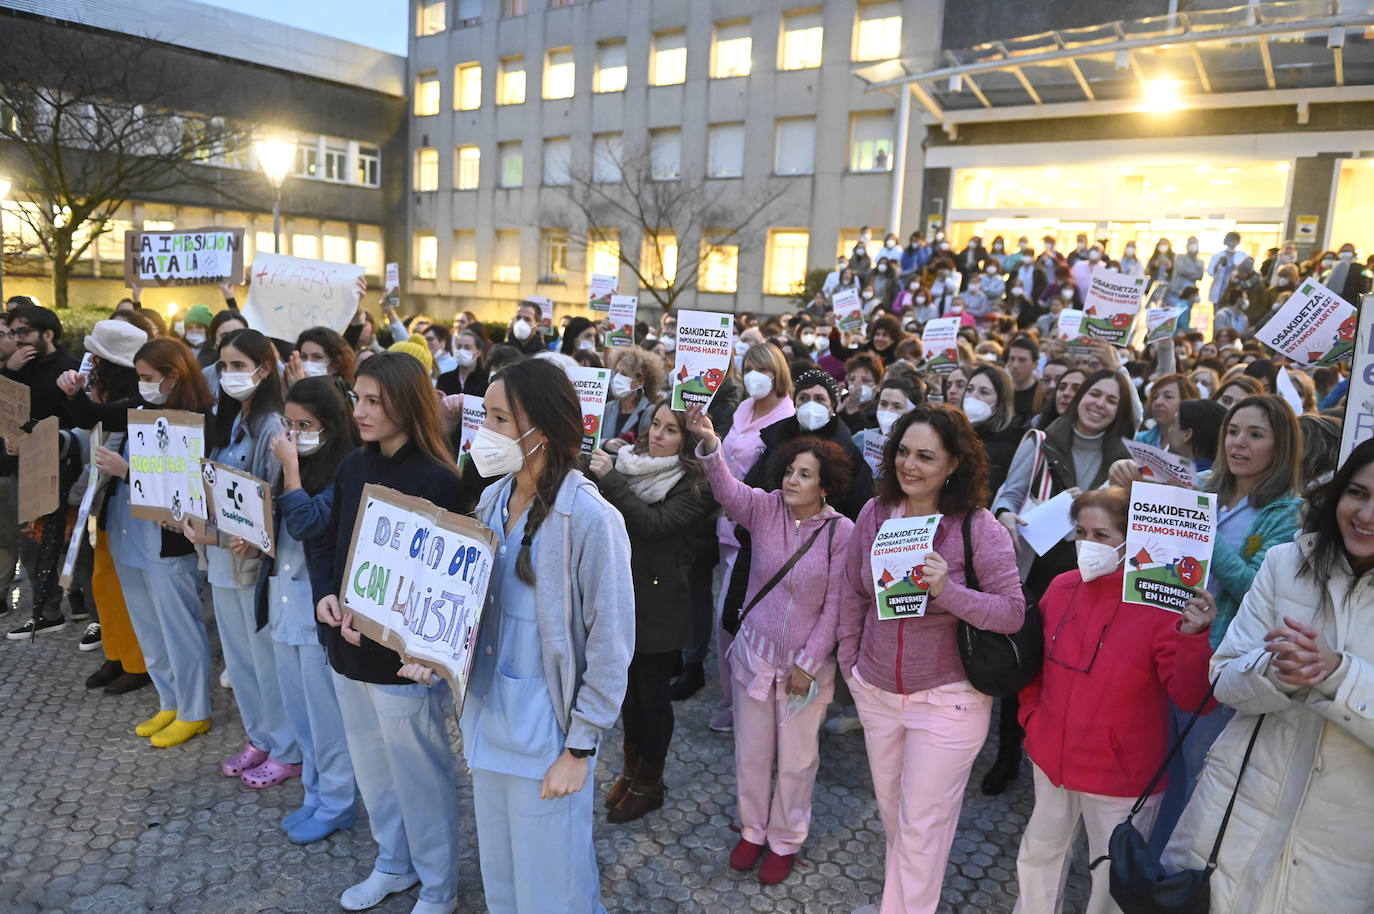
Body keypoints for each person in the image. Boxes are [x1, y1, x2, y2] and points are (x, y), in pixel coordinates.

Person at [424, 357, 634, 914]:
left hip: (546, 740)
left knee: (552, 886)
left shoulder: (591, 520)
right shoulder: (493, 500)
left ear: (542, 428)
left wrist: (580, 747)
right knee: (503, 876)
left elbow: (611, 648)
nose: (484, 434)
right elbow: (471, 605)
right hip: (488, 727)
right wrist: (435, 653)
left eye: (499, 419)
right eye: (485, 416)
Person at [1161, 439, 1374, 913]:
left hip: (1337, 856)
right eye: (1358, 492)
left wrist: (1339, 677)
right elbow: (1225, 680)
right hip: (1230, 821)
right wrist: (1276, 671)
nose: (1367, 514)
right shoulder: (1287, 564)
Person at [838, 405, 1025, 914]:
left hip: (947, 702)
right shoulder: (877, 512)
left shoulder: (979, 527)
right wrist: (850, 663)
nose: (909, 465)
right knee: (898, 818)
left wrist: (948, 590)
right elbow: (852, 589)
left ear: (953, 466)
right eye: (903, 451)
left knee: (922, 828)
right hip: (876, 691)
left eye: (925, 456)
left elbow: (1012, 613)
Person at [309, 352, 468, 914]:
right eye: (357, 397)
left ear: (408, 401)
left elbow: (445, 583)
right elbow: (328, 540)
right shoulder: (353, 465)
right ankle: (393, 864)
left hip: (400, 666)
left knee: (420, 778)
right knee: (374, 773)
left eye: (374, 400)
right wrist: (327, 594)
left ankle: (439, 886)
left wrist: (395, 632)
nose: (361, 410)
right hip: (346, 651)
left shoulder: (441, 480)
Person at [1013, 488, 1216, 914]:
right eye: (1081, 532)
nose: (1088, 544)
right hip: (1052, 760)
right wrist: (1033, 719)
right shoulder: (1061, 586)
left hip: (1122, 778)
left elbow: (1193, 697)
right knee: (1037, 857)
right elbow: (1034, 666)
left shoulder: (1161, 607)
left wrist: (1194, 640)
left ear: (1131, 540)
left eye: (1102, 535)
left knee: (1111, 883)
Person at [689, 407, 855, 884]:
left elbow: (837, 605)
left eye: (805, 474)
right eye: (789, 470)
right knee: (752, 752)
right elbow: (726, 489)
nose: (791, 480)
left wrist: (808, 662)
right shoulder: (764, 509)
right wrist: (711, 444)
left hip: (807, 669)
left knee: (799, 761)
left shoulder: (839, 533)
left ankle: (786, 839)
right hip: (755, 656)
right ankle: (753, 829)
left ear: (825, 485)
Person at [988, 371, 1137, 796]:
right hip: (1038, 567)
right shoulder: (1038, 442)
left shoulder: (1125, 459)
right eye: (1095, 394)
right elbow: (1008, 494)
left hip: (1095, 574)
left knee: (1069, 666)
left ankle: (1058, 753)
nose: (1100, 404)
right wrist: (1004, 515)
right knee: (1024, 661)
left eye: (1112, 400)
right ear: (1077, 398)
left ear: (1121, 410)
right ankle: (1008, 755)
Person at [587, 402, 716, 824]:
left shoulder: (694, 484)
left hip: (661, 606)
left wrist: (611, 481)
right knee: (629, 697)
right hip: (624, 596)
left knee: (652, 698)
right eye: (655, 424)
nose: (659, 434)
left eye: (671, 430)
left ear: (687, 440)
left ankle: (650, 783)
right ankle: (630, 770)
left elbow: (652, 524)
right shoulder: (631, 464)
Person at [192, 329, 300, 787]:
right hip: (221, 556)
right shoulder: (230, 418)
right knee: (238, 660)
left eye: (239, 365)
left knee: (265, 661)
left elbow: (272, 500)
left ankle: (288, 749)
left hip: (252, 565)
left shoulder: (273, 425)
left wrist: (248, 535)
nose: (229, 374)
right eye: (224, 366)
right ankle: (260, 736)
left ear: (263, 368)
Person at [96, 338, 215, 746]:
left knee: (180, 628)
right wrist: (72, 392)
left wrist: (127, 471)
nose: (142, 385)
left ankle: (195, 710)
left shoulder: (195, 417)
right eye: (139, 377)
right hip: (129, 533)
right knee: (149, 628)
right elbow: (91, 413)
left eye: (148, 378)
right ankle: (169, 701)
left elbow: (185, 487)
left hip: (168, 541)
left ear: (173, 375)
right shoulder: (140, 410)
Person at [268, 377, 361, 844]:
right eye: (289, 423)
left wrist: (289, 470)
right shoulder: (293, 461)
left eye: (305, 425)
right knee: (301, 714)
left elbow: (306, 522)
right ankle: (314, 794)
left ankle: (338, 802)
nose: (294, 433)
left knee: (327, 720)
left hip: (318, 610)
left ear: (330, 425)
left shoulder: (343, 466)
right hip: (284, 601)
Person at [57, 321, 153, 693]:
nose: (90, 365)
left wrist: (75, 499)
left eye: (96, 359)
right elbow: (88, 425)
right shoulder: (110, 398)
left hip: (133, 508)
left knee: (128, 589)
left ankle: (137, 661)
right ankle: (116, 654)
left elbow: (104, 445)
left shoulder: (138, 403)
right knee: (105, 583)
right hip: (110, 509)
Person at [706, 342, 796, 732]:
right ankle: (733, 700)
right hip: (726, 525)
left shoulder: (788, 416)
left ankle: (751, 705)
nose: (755, 375)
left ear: (778, 373)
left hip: (758, 529)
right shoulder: (743, 408)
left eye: (763, 368)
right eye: (748, 367)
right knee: (725, 617)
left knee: (739, 617)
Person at [3, 303, 80, 639]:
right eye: (12, 332)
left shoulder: (68, 367)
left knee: (71, 545)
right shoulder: (20, 366)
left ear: (47, 334)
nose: (17, 339)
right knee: (32, 544)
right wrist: (11, 372)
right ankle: (47, 610)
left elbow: (80, 421)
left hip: (64, 469)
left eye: (24, 332)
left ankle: (82, 603)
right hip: (27, 468)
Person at [965, 364, 1026, 495]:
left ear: (999, 403)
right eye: (969, 389)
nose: (973, 396)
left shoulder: (1007, 445)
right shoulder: (958, 432)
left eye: (984, 392)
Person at [601, 347, 665, 448]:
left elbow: (648, 448)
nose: (617, 377)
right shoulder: (607, 408)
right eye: (617, 372)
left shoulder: (650, 412)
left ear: (640, 382)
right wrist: (605, 443)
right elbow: (592, 441)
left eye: (624, 374)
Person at [1136, 374, 1200, 448]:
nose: (1158, 402)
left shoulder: (1195, 449)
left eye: (1168, 396)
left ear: (1187, 401)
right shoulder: (1140, 440)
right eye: (1154, 397)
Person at [287, 326, 357, 388]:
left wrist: (298, 388)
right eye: (304, 357)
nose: (308, 363)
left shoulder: (341, 397)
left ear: (335, 363)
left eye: (317, 357)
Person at [436, 326, 490, 397]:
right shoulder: (443, 379)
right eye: (459, 347)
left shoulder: (487, 380)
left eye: (467, 347)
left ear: (478, 352)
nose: (461, 350)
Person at [1005, 336, 1042, 424]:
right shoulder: (1001, 390)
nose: (1015, 365)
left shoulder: (1042, 393)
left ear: (1035, 364)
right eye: (1012, 359)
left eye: (1022, 360)